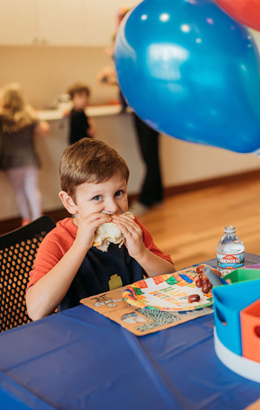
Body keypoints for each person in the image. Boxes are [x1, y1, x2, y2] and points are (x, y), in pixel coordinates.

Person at [25, 138, 175, 320]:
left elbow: (170, 279)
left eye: (119, 193)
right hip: (83, 333)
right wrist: (80, 246)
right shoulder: (57, 241)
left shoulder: (132, 227)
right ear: (70, 202)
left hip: (134, 321)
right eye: (97, 197)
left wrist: (141, 254)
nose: (113, 207)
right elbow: (36, 311)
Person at [97, 7, 164, 216]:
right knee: (151, 156)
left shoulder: (140, 58)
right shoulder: (134, 57)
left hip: (147, 112)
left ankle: (145, 199)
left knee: (149, 157)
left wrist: (114, 76)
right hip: (144, 111)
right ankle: (157, 195)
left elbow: (137, 80)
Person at [0, 82, 50, 226]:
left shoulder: (2, 116)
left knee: (20, 191)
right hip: (29, 158)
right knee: (33, 190)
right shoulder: (29, 115)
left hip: (11, 160)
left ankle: (26, 219)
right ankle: (37, 219)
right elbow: (45, 131)